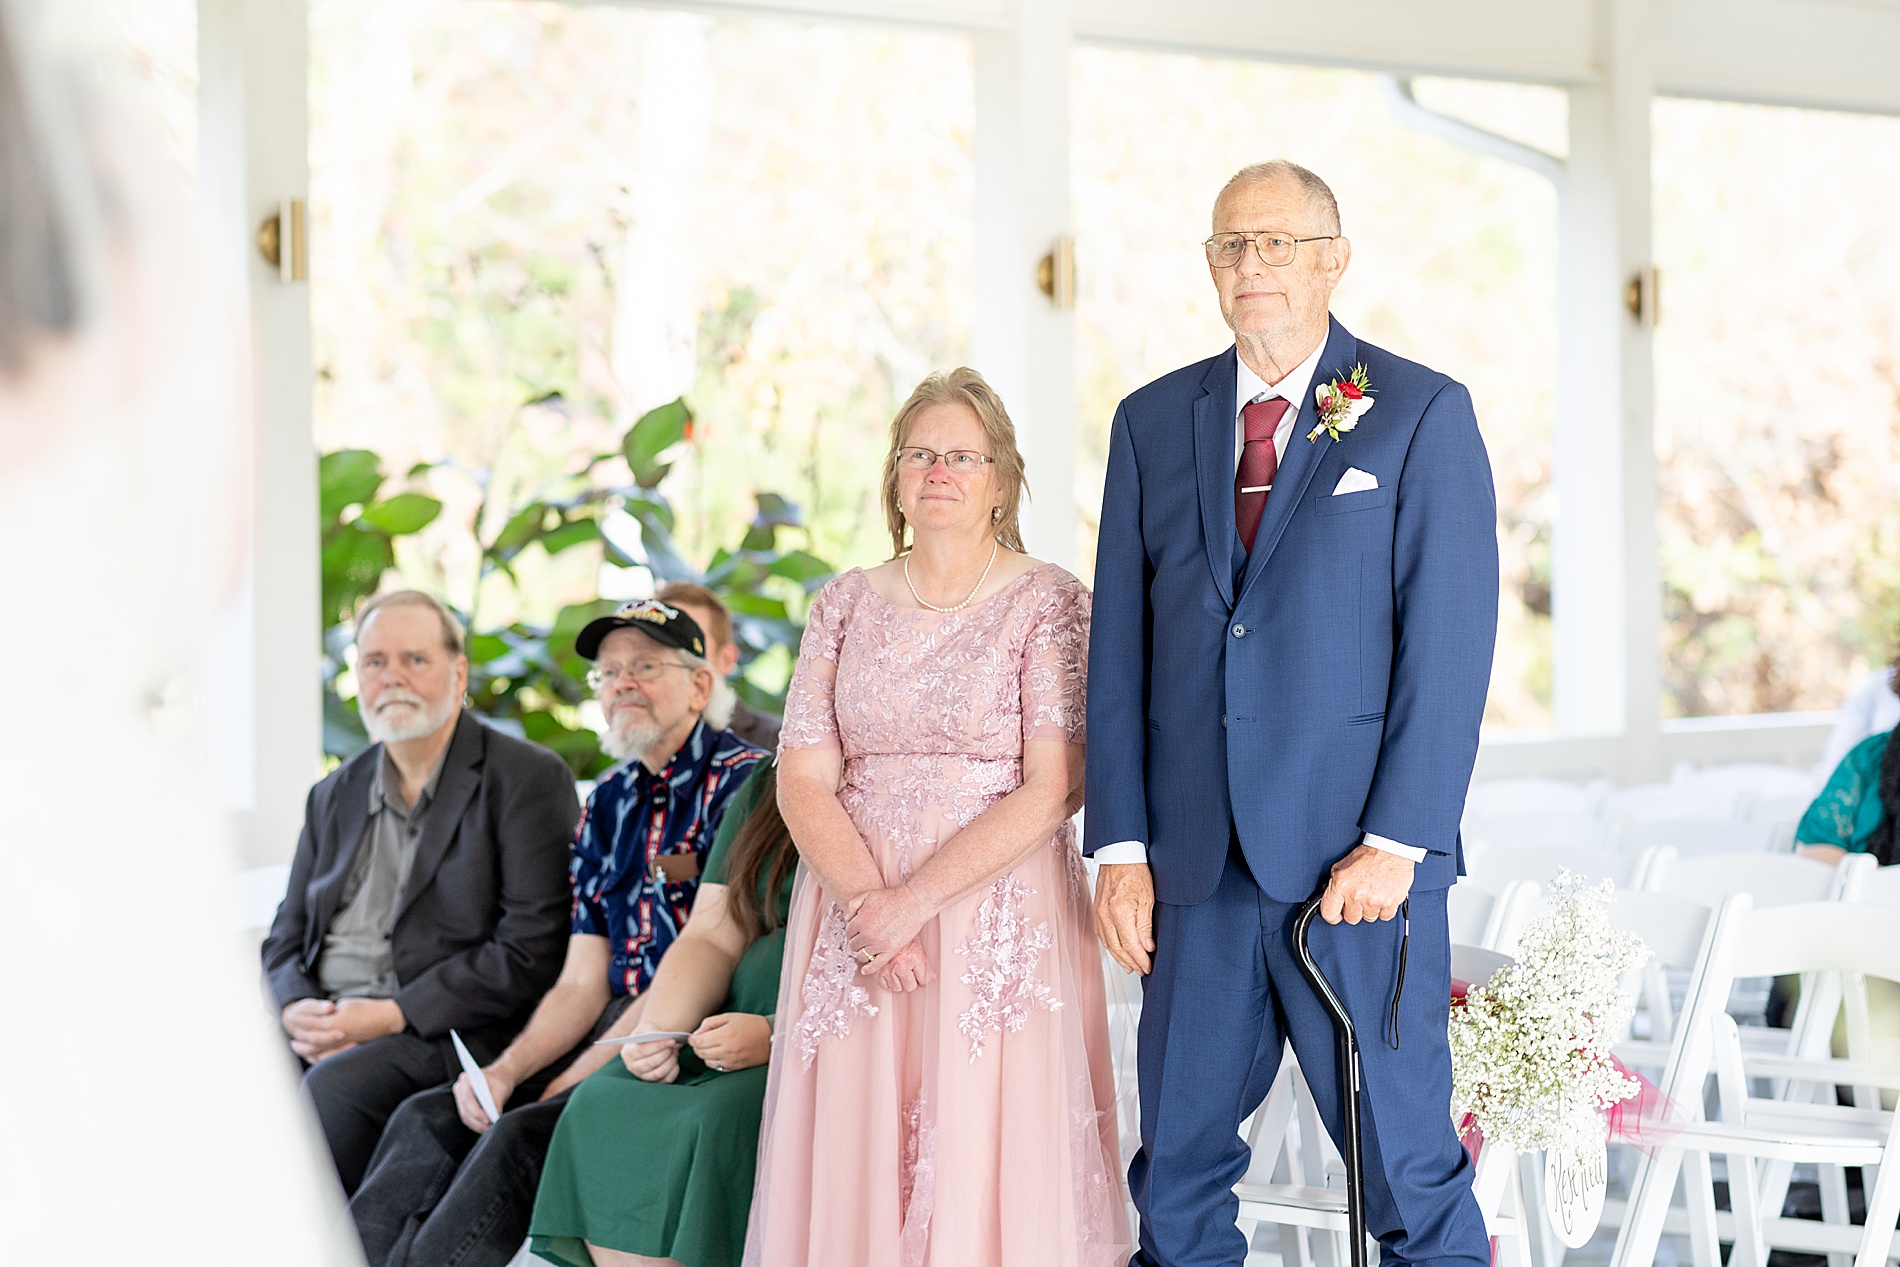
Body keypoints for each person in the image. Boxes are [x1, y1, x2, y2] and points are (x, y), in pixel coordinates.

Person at [1086, 162, 1499, 1267]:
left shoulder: (1418, 413)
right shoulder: (1150, 421)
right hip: (1195, 870)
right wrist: (1119, 847)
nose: (1250, 264)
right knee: (1173, 1172)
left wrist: (1396, 840)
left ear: (1333, 257)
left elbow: (1449, 650)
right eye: (1230, 244)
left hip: (1355, 877)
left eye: (1275, 241)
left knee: (1403, 1165)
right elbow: (1119, 654)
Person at [745, 368, 1130, 1267]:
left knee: (986, 1138)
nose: (939, 471)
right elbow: (802, 777)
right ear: (894, 477)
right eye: (920, 454)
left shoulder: (1049, 600)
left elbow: (1056, 783)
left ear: (1002, 479)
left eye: (963, 455)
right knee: (859, 1144)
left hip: (998, 905)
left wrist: (914, 900)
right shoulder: (842, 601)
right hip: (854, 907)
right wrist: (869, 903)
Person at [348, 599, 765, 1267]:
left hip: (682, 1023)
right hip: (608, 1011)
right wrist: (507, 1069)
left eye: (645, 666)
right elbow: (579, 978)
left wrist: (556, 1084)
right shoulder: (607, 801)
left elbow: (689, 970)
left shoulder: (742, 783)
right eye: (608, 673)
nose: (621, 683)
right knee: (430, 1118)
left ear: (699, 684)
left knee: (522, 1133)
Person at [263, 589, 580, 1193]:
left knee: (333, 1093)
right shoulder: (333, 793)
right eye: (375, 662)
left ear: (458, 673)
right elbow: (285, 937)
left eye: (415, 659)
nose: (392, 679)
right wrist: (295, 1009)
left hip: (439, 1026)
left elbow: (531, 949)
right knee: (213, 1077)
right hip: (328, 1014)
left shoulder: (527, 780)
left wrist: (391, 1014)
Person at [530, 758, 795, 1267]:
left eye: (644, 668)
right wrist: (657, 1027)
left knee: (711, 1119)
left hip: (823, 1035)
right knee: (599, 1102)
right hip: (720, 1023)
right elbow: (713, 934)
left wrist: (776, 1035)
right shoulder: (770, 780)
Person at [657, 579, 783, 751]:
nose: (671, 657)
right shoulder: (628, 771)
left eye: (688, 643)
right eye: (659, 645)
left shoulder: (780, 744)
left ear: (726, 659)